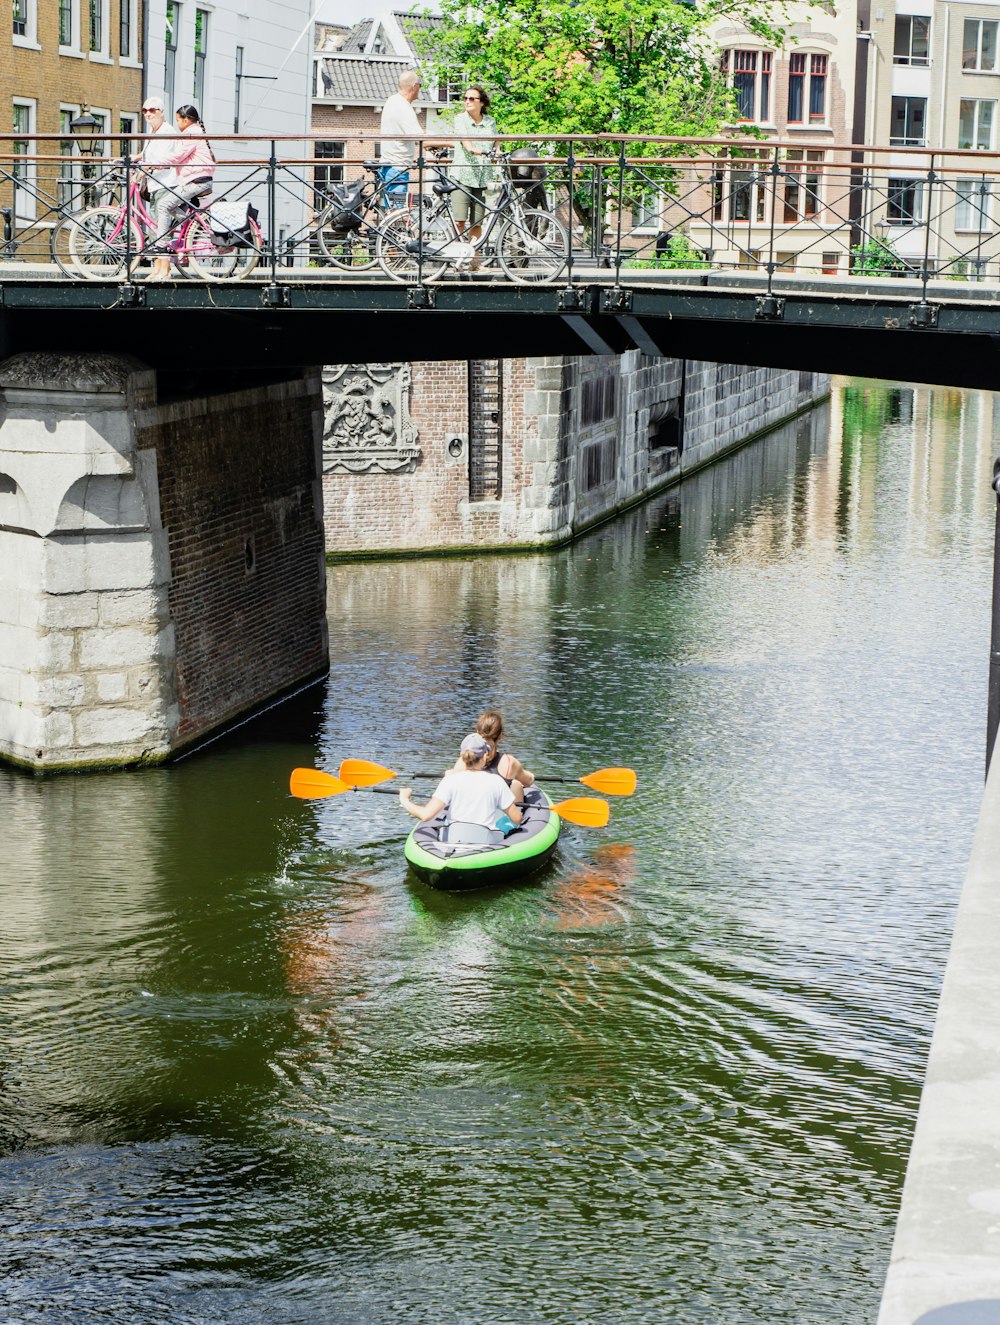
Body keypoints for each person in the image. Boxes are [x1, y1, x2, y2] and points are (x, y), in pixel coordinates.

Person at [145, 103, 216, 281]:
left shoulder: (191, 134)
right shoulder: (195, 132)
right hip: (197, 179)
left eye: (178, 120)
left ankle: (161, 246)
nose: (177, 123)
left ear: (186, 120)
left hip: (196, 180)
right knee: (168, 207)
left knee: (163, 205)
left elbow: (177, 157)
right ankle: (191, 225)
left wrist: (155, 163)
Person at [400, 733, 524, 834]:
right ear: (485, 756)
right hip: (487, 843)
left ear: (461, 756)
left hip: (455, 840)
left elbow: (425, 815)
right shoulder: (497, 782)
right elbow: (517, 818)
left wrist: (405, 799)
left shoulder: (449, 781)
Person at [449, 85, 498, 266]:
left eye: (472, 99)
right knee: (459, 220)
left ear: (481, 103)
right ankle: (456, 259)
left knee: (477, 222)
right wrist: (476, 150)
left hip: (482, 177)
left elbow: (496, 140)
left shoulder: (490, 121)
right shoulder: (460, 119)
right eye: (466, 98)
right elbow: (466, 143)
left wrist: (497, 152)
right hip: (462, 174)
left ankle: (474, 262)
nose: (467, 101)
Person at [451, 709, 535, 787]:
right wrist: (531, 776)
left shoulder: (465, 759)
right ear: (500, 736)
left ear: (477, 732)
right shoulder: (509, 762)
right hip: (501, 802)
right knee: (516, 785)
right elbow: (528, 781)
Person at [379, 70, 423, 207]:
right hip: (398, 167)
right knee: (396, 212)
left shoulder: (392, 100)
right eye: (420, 85)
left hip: (387, 164)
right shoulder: (403, 108)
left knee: (390, 209)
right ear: (414, 86)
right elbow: (420, 138)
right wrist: (452, 143)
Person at [138, 97, 176, 204]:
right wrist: (136, 157)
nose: (148, 114)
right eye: (144, 110)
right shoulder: (152, 130)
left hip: (165, 183)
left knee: (159, 217)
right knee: (155, 216)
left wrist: (143, 170)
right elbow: (149, 151)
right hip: (155, 183)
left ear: (162, 112)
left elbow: (162, 158)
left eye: (152, 110)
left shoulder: (167, 132)